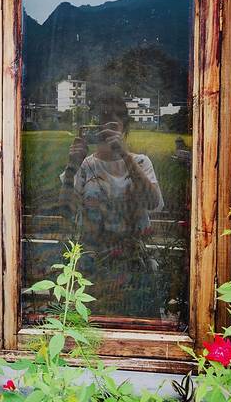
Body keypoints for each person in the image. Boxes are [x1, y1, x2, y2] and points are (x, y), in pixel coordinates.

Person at [58, 91, 164, 317]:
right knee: (94, 323)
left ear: (124, 127)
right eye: (103, 118)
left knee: (138, 323)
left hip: (134, 263)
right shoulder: (84, 166)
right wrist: (71, 166)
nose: (108, 125)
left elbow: (153, 202)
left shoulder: (140, 162)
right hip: (93, 264)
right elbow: (66, 211)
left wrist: (125, 155)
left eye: (115, 120)